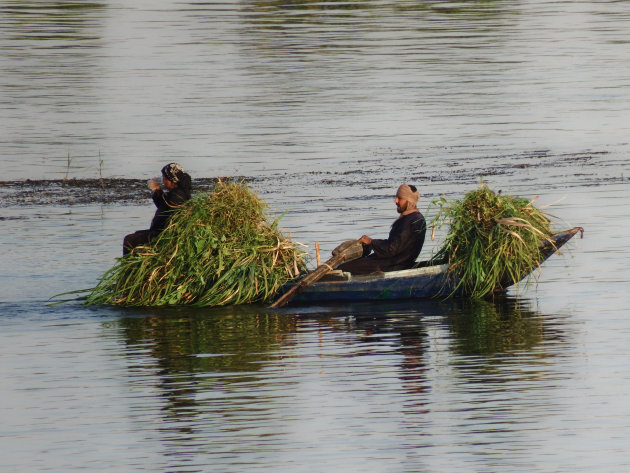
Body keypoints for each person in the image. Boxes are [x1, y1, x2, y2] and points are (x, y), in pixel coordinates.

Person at [337, 184, 426, 275]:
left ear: (408, 200)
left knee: (343, 268)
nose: (395, 201)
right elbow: (395, 246)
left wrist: (371, 242)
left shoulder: (409, 220)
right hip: (398, 262)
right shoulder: (416, 218)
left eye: (399, 198)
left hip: (394, 265)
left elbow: (391, 249)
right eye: (396, 197)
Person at [123, 163, 192, 255]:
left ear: (172, 180)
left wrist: (157, 190)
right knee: (137, 234)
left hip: (163, 235)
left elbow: (165, 208)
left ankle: (128, 266)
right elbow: (164, 206)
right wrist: (158, 190)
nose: (163, 180)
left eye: (165, 178)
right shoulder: (178, 192)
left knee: (129, 240)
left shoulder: (178, 195)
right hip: (161, 231)